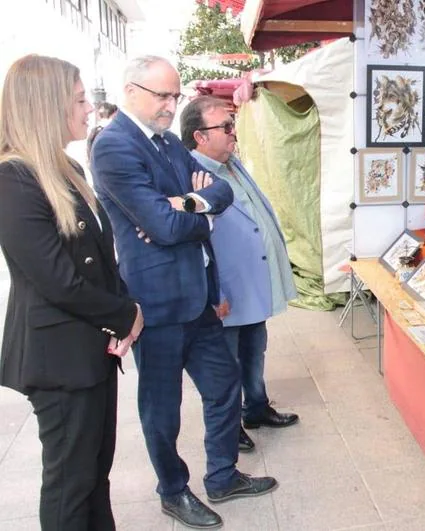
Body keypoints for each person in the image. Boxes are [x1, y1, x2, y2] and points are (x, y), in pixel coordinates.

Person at [90, 56, 277, 530]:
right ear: (131, 90)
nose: (171, 106)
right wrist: (187, 214)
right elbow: (161, 225)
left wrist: (190, 204)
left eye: (175, 97)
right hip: (155, 304)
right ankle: (172, 491)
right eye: (162, 96)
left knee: (223, 386)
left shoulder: (170, 142)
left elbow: (219, 191)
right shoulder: (115, 147)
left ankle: (222, 476)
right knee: (162, 407)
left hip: (198, 294)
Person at [0, 54, 144, 530]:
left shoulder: (62, 168)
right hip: (59, 359)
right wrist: (127, 316)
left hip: (89, 350)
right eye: (80, 100)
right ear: (47, 106)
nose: (89, 109)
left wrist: (125, 309)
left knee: (93, 476)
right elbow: (58, 280)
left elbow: (102, 258)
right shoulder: (14, 179)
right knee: (69, 484)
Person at [179, 96, 299, 453]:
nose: (234, 133)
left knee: (254, 350)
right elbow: (196, 242)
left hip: (251, 281)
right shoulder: (192, 176)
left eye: (233, 125)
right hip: (227, 289)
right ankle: (229, 427)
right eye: (226, 127)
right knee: (225, 365)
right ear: (200, 136)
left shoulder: (230, 163)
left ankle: (256, 408)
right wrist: (215, 292)